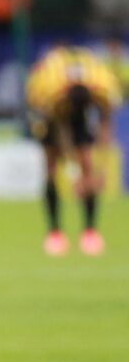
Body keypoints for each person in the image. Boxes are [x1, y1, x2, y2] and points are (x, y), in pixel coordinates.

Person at [26, 45, 121, 256]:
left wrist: (101, 170)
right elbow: (61, 132)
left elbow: (107, 125)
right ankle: (55, 232)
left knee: (87, 164)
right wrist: (72, 173)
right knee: (51, 167)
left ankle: (90, 231)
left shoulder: (103, 87)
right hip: (49, 115)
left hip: (74, 102)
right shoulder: (49, 92)